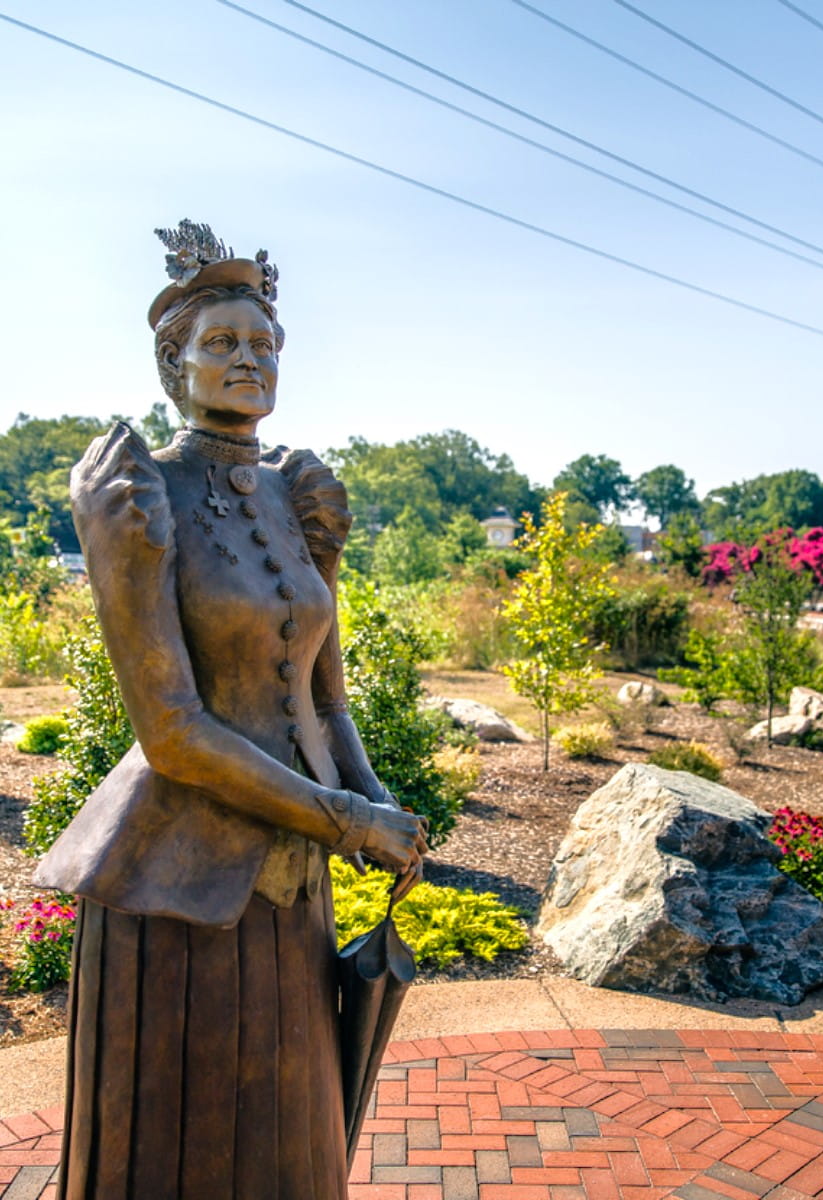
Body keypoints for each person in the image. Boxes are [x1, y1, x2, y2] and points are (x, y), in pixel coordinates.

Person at [36, 220, 429, 1200]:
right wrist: (349, 819)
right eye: (221, 343)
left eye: (263, 345)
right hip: (178, 892)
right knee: (177, 1143)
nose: (248, 360)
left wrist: (381, 810)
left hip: (290, 882)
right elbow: (170, 732)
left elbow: (324, 698)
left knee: (288, 1137)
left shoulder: (296, 494)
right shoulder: (137, 493)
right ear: (173, 364)